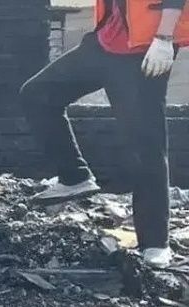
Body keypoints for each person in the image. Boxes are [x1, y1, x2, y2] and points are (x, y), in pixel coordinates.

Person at [20, 0, 188, 269]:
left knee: (145, 146)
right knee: (38, 94)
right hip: (103, 42)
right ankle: (74, 177)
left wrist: (164, 38)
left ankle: (155, 242)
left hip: (143, 50)